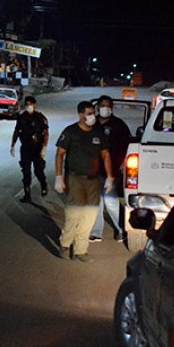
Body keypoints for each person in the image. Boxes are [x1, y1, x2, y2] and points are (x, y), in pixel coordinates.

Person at [54, 101, 113, 263]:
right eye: (89, 114)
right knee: (74, 214)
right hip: (75, 179)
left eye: (93, 113)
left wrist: (110, 177)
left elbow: (106, 155)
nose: (92, 116)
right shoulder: (70, 132)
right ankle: (65, 244)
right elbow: (60, 154)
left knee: (89, 216)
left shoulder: (98, 133)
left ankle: (80, 250)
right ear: (81, 115)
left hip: (93, 181)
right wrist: (59, 176)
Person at [89, 96, 131, 243]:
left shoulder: (119, 125)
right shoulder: (92, 124)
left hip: (112, 171)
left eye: (107, 106)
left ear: (112, 108)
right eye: (102, 105)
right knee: (96, 201)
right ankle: (96, 231)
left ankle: (121, 229)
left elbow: (128, 146)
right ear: (97, 107)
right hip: (93, 170)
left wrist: (123, 164)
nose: (104, 108)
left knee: (110, 200)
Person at [10, 96, 49, 203]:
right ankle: (27, 195)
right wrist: (13, 145)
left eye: (30, 104)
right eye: (27, 104)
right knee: (26, 172)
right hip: (26, 148)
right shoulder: (21, 117)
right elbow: (17, 131)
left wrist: (44, 147)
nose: (29, 106)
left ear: (34, 105)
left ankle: (43, 184)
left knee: (38, 171)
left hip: (37, 148)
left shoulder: (40, 118)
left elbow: (46, 133)